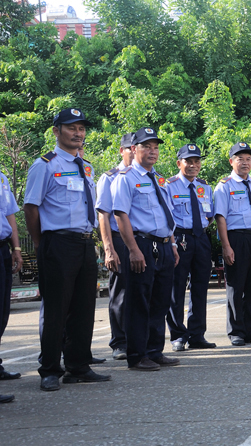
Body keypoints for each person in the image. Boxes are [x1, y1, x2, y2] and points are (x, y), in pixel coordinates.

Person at [23, 108, 111, 391]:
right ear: (56, 131)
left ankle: (78, 366)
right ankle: (50, 369)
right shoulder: (45, 165)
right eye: (72, 127)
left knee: (84, 308)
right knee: (56, 309)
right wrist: (40, 242)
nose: (78, 133)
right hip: (57, 243)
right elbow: (31, 207)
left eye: (81, 128)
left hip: (84, 243)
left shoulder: (86, 166)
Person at [112, 127, 181, 371]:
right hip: (141, 243)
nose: (153, 151)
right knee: (139, 301)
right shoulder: (125, 178)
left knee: (160, 301)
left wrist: (172, 244)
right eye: (146, 147)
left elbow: (165, 214)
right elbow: (120, 215)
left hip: (164, 244)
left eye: (155, 147)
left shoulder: (159, 179)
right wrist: (133, 249)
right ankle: (137, 355)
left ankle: (154, 351)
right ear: (133, 149)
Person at [213, 142, 251, 346]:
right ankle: (236, 331)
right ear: (231, 161)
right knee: (236, 286)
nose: (245, 162)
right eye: (240, 159)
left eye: (248, 159)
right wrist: (226, 246)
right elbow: (220, 217)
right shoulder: (224, 186)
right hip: (237, 239)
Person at [165, 144, 217, 350]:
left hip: (201, 238)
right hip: (180, 238)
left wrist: (199, 231)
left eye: (197, 161)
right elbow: (167, 217)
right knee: (176, 287)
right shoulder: (169, 186)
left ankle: (197, 335)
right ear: (179, 163)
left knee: (200, 286)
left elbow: (209, 215)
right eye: (189, 161)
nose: (193, 165)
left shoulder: (205, 187)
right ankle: (178, 335)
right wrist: (174, 241)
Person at [95, 132, 134, 360]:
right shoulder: (109, 178)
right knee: (120, 292)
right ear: (122, 151)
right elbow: (103, 215)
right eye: (130, 148)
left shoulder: (148, 177)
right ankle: (120, 342)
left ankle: (140, 341)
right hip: (119, 240)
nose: (134, 152)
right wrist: (109, 249)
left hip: (142, 239)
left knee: (143, 291)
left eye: (136, 148)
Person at [0, 168, 23, 403]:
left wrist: (16, 248)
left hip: (2, 249)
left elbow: (9, 215)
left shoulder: (1, 177)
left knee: (2, 313)